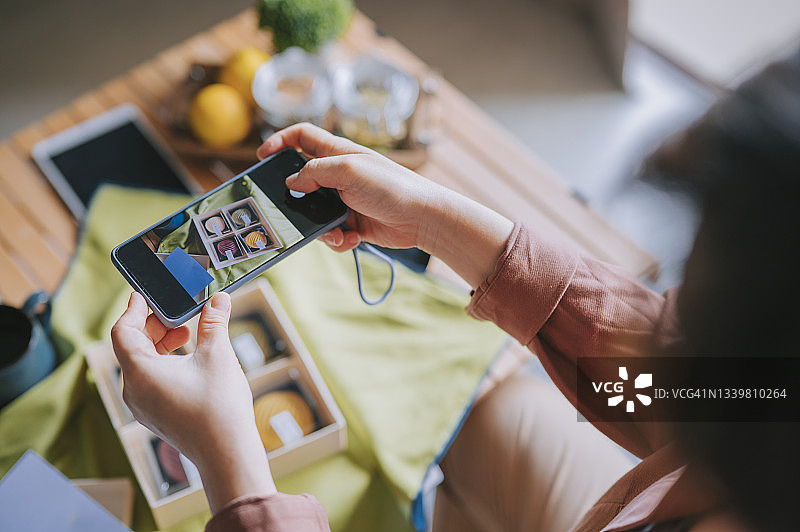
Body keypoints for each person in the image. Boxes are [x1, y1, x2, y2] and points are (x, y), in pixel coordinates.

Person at [111, 50, 800, 532]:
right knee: (469, 406)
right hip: (650, 496)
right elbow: (695, 382)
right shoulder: (755, 392)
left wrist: (231, 467)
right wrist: (435, 218)